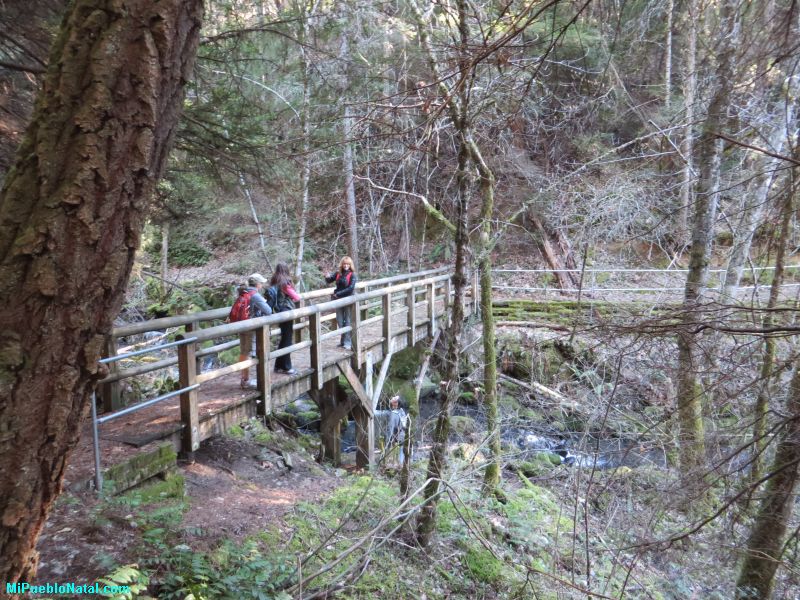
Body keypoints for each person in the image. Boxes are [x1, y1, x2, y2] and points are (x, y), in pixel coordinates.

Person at [228, 273, 272, 389]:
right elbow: (268, 311)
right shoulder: (255, 295)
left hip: (241, 326)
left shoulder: (243, 292)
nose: (262, 285)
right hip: (251, 328)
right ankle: (248, 380)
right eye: (261, 283)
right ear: (257, 284)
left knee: (244, 352)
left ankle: (244, 378)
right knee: (251, 353)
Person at [270, 263, 301, 375]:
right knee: (287, 339)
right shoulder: (285, 282)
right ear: (286, 270)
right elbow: (296, 297)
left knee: (284, 338)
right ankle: (287, 367)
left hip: (278, 312)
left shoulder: (274, 281)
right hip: (286, 312)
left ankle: (278, 366)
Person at [324, 256, 357, 350]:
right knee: (339, 320)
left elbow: (351, 288)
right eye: (344, 264)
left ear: (350, 265)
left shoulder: (352, 275)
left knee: (347, 320)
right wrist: (327, 277)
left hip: (348, 300)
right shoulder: (338, 273)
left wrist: (338, 294)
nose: (346, 265)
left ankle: (347, 342)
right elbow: (330, 280)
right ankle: (343, 341)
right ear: (342, 264)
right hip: (338, 300)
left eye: (347, 264)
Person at [385, 395, 408, 466]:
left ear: (397, 403)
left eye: (395, 399)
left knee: (394, 453)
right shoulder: (404, 412)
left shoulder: (394, 413)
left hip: (397, 436)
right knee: (402, 451)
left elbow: (391, 428)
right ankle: (401, 465)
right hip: (404, 435)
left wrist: (388, 441)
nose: (392, 398)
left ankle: (394, 465)